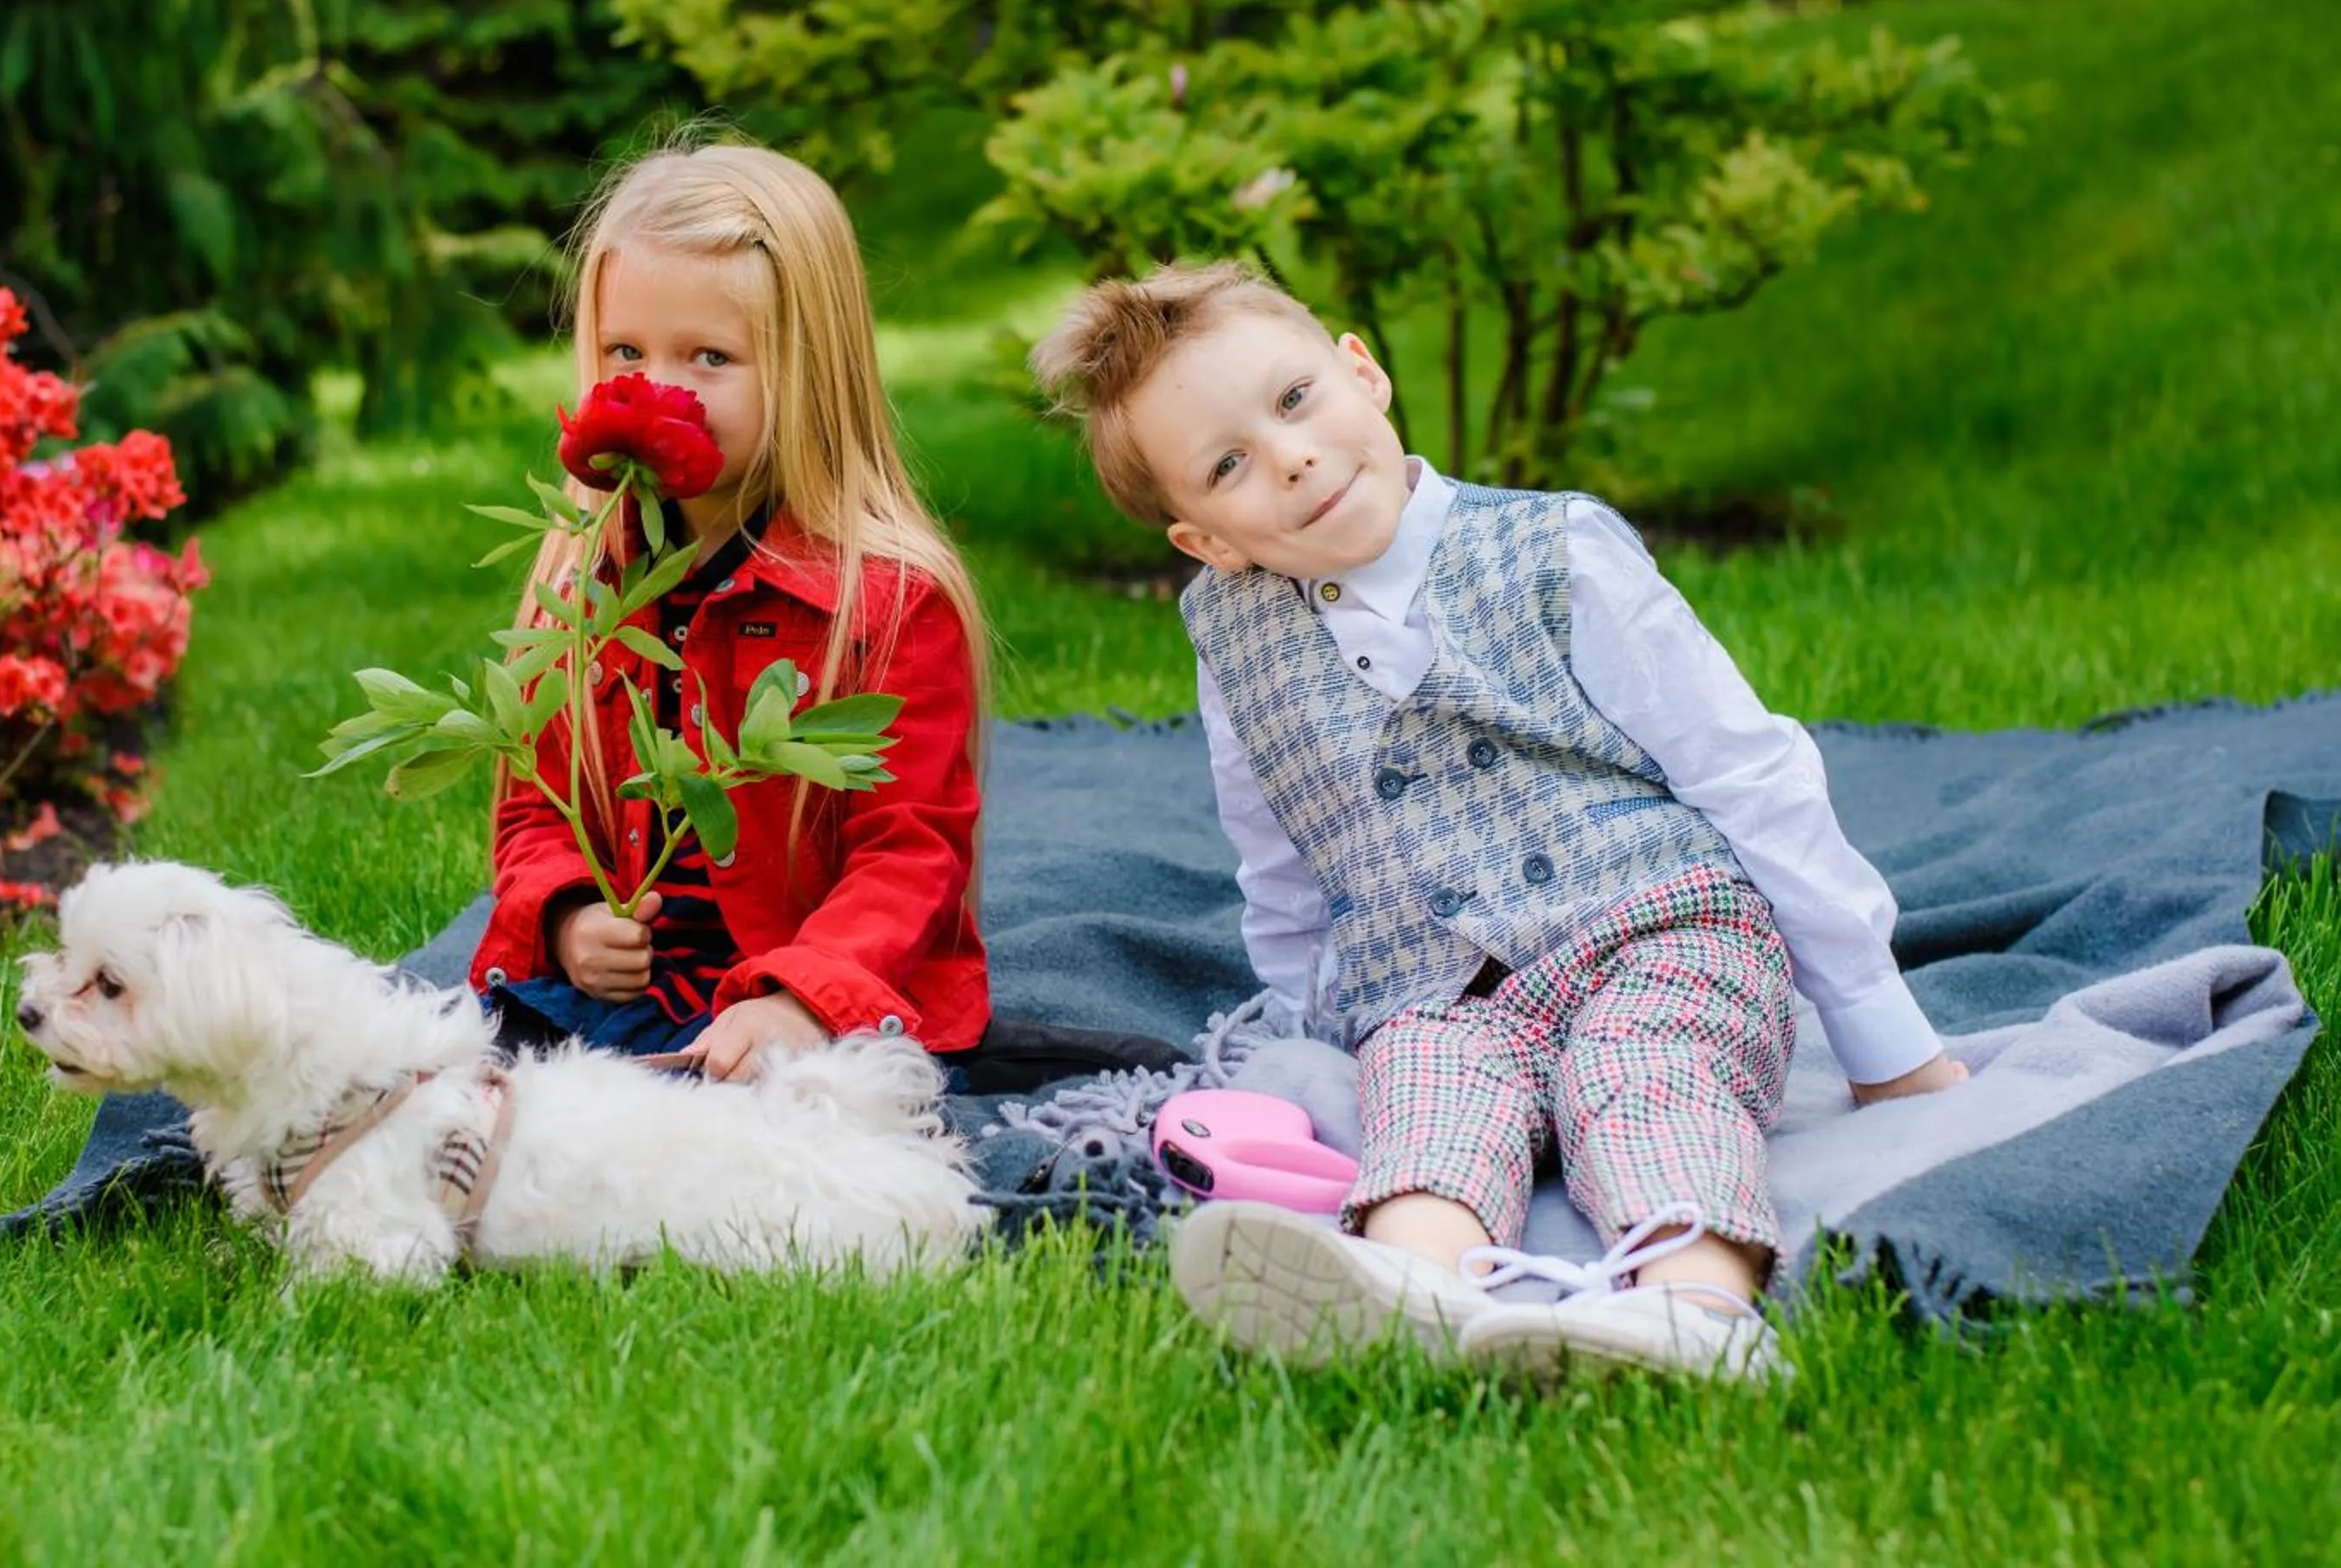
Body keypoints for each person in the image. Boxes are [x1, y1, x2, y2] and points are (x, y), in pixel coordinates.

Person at [1030, 261, 1967, 1380]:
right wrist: (1301, 1034)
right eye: (1228, 464)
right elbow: (1277, 852)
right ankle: (1415, 1291)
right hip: (1440, 982)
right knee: (1425, 1091)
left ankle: (1696, 1311)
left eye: (1294, 400)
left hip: (1658, 924)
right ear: (1207, 540)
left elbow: (1747, 771)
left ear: (1361, 372)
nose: (1291, 456)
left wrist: (1880, 1034)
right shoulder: (1230, 636)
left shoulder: (1557, 552)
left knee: (1643, 1073)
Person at [466, 138, 991, 1084]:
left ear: (807, 367)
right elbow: (535, 805)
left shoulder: (888, 600)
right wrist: (567, 913)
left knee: (792, 1133)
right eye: (628, 352)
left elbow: (908, 852)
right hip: (623, 997)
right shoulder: (585, 567)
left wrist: (803, 997)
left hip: (806, 1006)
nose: (665, 388)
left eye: (712, 357)